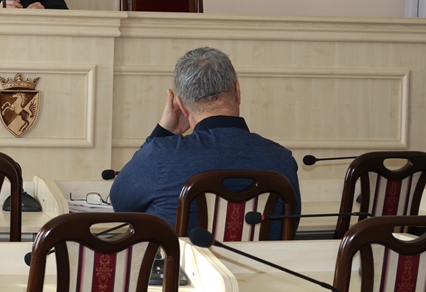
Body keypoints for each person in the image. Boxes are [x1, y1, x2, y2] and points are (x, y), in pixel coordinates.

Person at [110, 46, 300, 238]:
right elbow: (290, 225)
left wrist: (163, 132)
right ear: (238, 91)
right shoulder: (282, 159)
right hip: (261, 259)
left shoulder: (161, 155)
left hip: (180, 260)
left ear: (182, 106)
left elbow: (121, 204)